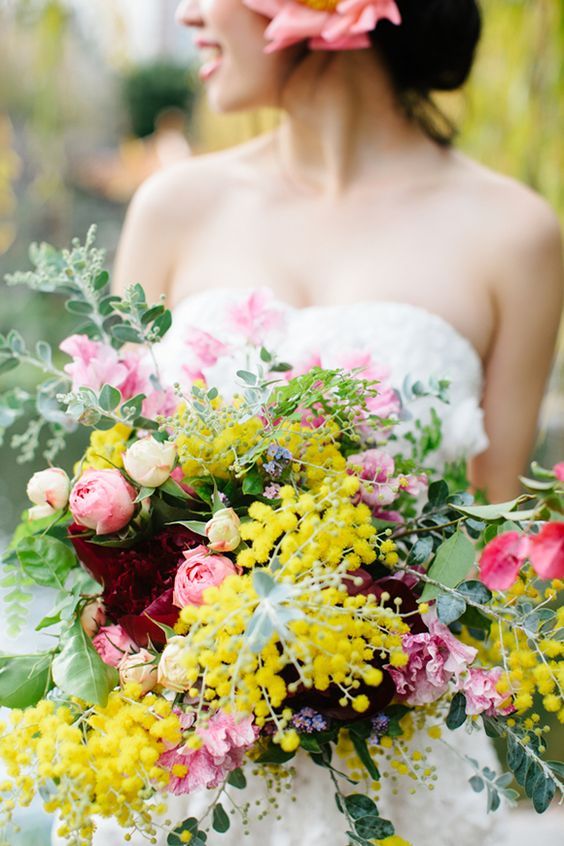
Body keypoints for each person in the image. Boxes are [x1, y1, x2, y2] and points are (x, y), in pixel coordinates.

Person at [106, 1, 564, 844]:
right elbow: (121, 500)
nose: (188, 12)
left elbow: (496, 556)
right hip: (186, 769)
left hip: (407, 772)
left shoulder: (518, 236)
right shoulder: (172, 208)